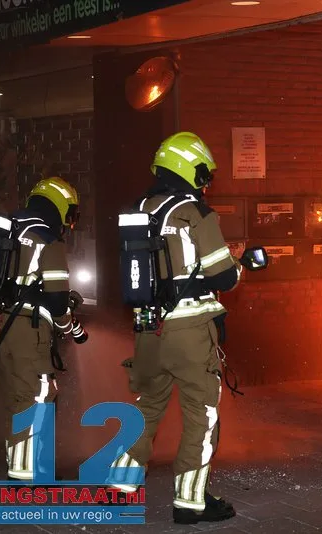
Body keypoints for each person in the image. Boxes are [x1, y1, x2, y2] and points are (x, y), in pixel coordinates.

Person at [108, 131, 243, 525]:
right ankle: (190, 501)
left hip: (148, 329)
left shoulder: (141, 209)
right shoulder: (194, 212)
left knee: (147, 408)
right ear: (189, 167)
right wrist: (239, 266)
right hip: (189, 330)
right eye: (204, 173)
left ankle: (120, 485)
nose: (206, 182)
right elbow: (222, 275)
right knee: (201, 414)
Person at [0, 176, 85, 481]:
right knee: (36, 396)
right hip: (27, 330)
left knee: (17, 396)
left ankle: (19, 463)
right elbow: (57, 298)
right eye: (69, 213)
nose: (69, 223)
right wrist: (69, 326)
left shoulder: (13, 227)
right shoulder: (47, 237)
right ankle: (24, 475)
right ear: (58, 206)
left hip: (2, 323)